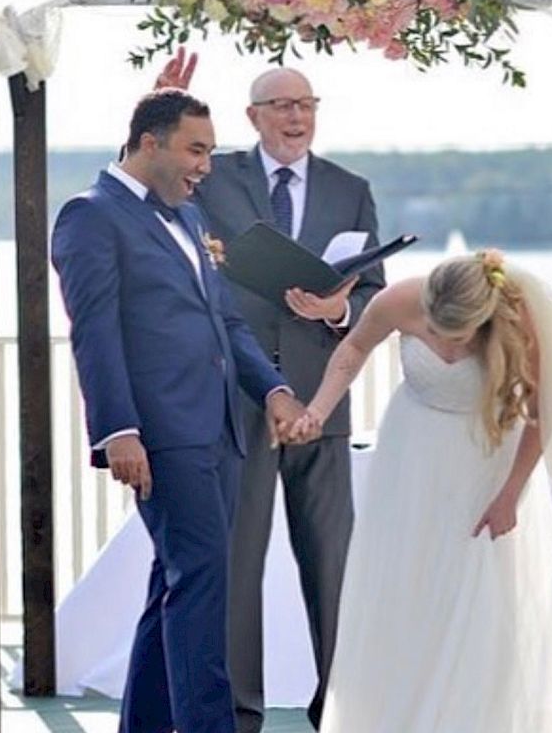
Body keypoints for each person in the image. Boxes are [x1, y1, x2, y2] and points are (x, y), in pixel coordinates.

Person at [50, 88, 308, 733]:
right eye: (195, 150)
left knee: (175, 583)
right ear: (148, 143)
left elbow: (224, 320)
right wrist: (118, 430)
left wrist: (273, 389)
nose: (206, 166)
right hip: (162, 433)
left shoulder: (188, 220)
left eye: (211, 151)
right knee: (202, 586)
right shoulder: (90, 215)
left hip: (219, 429)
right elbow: (95, 332)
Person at [157, 49, 386, 732]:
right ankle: (236, 715)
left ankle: (341, 710)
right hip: (239, 395)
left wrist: (337, 312)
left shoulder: (352, 187)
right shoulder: (215, 176)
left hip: (322, 401)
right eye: (281, 105)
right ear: (253, 117)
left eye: (306, 104)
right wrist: (161, 106)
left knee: (333, 568)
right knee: (236, 566)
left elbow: (370, 287)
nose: (296, 116)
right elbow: (155, 186)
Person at [294, 249, 552, 732]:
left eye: (453, 335)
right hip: (411, 455)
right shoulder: (399, 300)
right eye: (431, 328)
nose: (438, 340)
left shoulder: (518, 318)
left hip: (488, 463)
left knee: (481, 596)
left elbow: (544, 412)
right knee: (406, 585)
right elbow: (351, 350)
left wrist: (510, 495)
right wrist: (318, 410)